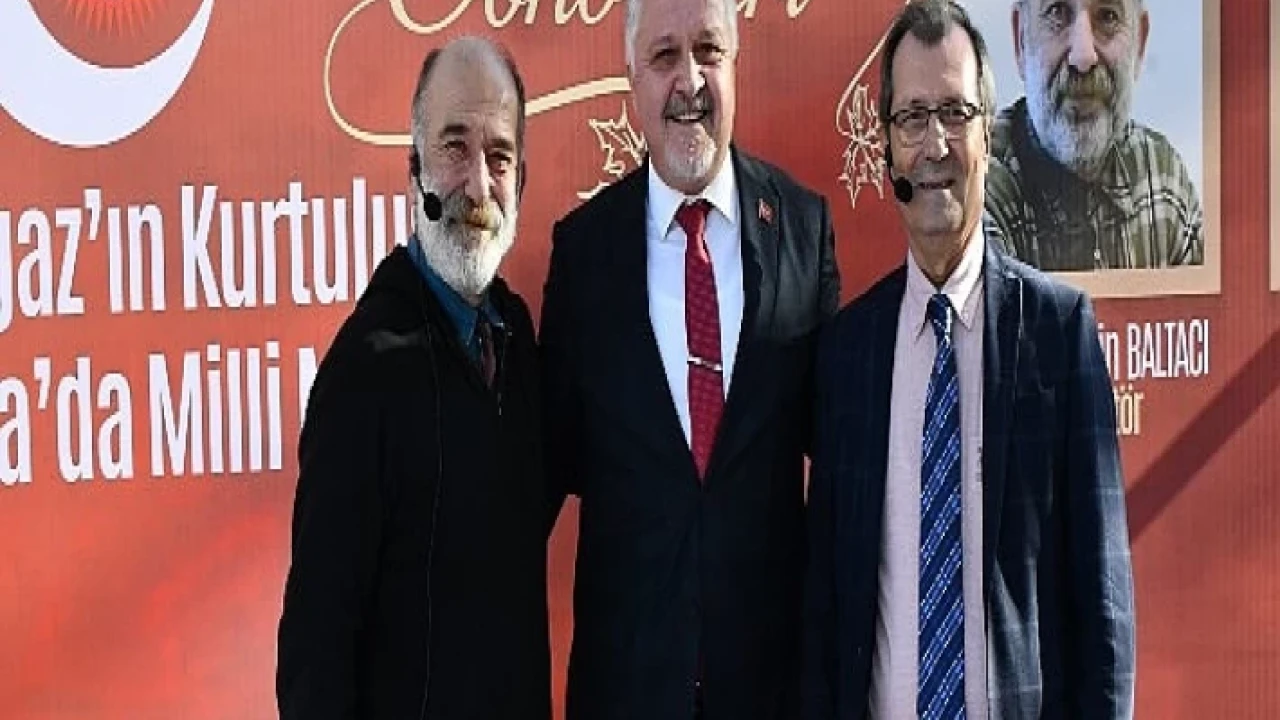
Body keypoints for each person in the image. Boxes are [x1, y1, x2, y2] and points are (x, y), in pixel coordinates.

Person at [803, 1, 1136, 718]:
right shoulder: (847, 355)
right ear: (886, 146)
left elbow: (1104, 618)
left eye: (955, 113)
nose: (934, 145)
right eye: (912, 117)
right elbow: (825, 611)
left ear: (988, 133)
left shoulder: (1059, 333)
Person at [539, 0, 840, 715]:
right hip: (627, 690)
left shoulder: (803, 228)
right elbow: (542, 472)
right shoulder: (582, 254)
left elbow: (839, 462)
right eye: (664, 56)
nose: (690, 80)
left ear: (736, 62)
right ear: (632, 77)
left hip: (772, 691)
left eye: (708, 50)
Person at [276, 36, 550, 720]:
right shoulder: (363, 372)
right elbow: (315, 646)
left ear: (521, 181)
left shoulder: (517, 343)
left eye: (499, 156)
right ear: (414, 170)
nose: (478, 186)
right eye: (455, 148)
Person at [985, 0, 1204, 271]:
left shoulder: (1163, 180)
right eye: (1057, 12)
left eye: (1108, 16)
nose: (1083, 57)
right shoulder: (978, 190)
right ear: (1021, 42)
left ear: (1139, 45)